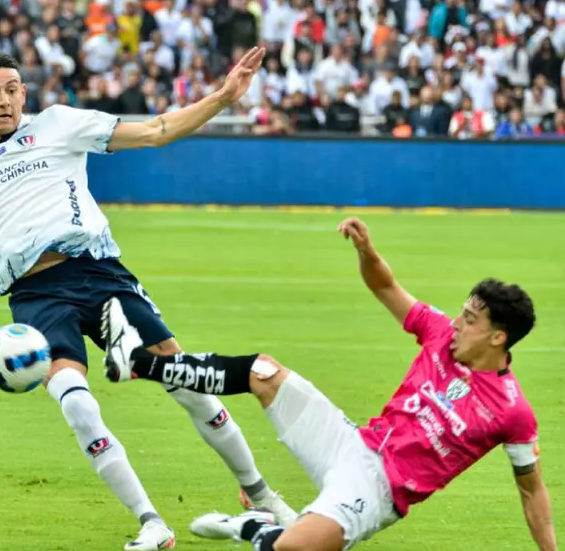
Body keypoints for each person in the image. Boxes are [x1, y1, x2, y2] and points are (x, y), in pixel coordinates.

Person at [0, 49, 297, 551]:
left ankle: (259, 494)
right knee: (77, 406)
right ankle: (151, 522)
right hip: (36, 298)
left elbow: (156, 131)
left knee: (188, 382)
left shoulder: (60, 124)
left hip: (101, 276)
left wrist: (222, 97)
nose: (5, 100)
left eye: (13, 88)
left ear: (25, 91)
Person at [100, 217, 557, 550]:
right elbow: (386, 288)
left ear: (498, 337)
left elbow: (531, 491)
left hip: (380, 493)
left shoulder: (512, 412)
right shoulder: (440, 334)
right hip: (351, 442)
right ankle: (137, 362)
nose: (456, 322)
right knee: (265, 372)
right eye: (461, 312)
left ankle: (255, 529)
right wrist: (367, 251)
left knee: (294, 549)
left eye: (470, 320)